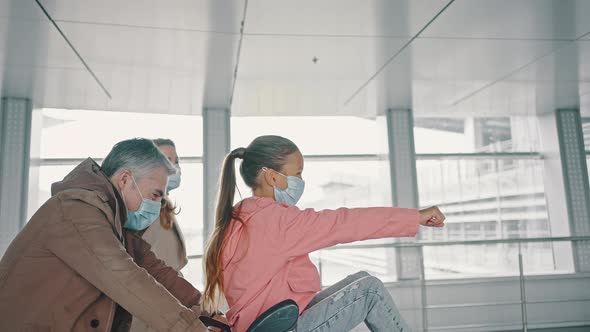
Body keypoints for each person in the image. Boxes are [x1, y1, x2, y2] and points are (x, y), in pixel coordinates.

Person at [202, 135, 445, 332]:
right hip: (281, 328)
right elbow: (345, 223)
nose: (301, 180)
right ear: (272, 177)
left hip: (266, 322)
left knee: (359, 278)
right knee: (369, 290)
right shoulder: (278, 222)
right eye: (297, 173)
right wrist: (414, 217)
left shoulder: (239, 216)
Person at [0, 138, 207, 332]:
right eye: (155, 195)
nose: (156, 206)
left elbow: (157, 272)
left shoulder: (115, 223)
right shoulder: (77, 211)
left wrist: (208, 311)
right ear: (125, 179)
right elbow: (128, 279)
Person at [129, 138, 189, 332]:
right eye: (166, 159)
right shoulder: (140, 212)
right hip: (148, 310)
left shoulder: (164, 208)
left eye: (176, 160)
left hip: (168, 304)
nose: (174, 167)